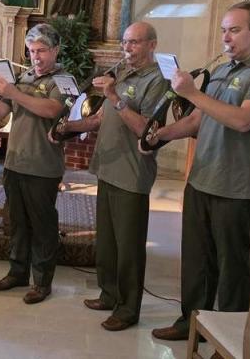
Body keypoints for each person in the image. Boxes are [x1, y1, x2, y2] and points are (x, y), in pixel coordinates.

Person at [145, 1, 250, 341]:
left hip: (236, 185)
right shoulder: (223, 70)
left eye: (234, 30)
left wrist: (192, 92)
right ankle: (191, 323)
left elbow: (243, 120)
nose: (226, 38)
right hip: (201, 178)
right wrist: (161, 135)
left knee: (231, 267)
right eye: (224, 30)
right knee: (197, 262)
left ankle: (230, 336)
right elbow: (197, 120)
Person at [53, 22, 168, 331]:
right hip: (107, 168)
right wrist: (68, 127)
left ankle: (128, 308)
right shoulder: (125, 75)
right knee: (107, 241)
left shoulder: (158, 81)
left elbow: (146, 129)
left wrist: (115, 97)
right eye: (124, 42)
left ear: (152, 45)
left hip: (132, 173)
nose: (126, 48)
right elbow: (99, 119)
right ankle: (109, 293)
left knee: (128, 245)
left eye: (134, 42)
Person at [0, 24, 69, 304]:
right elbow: (0, 110)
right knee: (16, 222)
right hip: (16, 162)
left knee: (42, 226)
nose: (36, 57)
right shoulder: (24, 77)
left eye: (41, 51)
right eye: (31, 51)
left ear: (55, 50)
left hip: (42, 165)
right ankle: (17, 272)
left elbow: (52, 110)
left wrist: (14, 92)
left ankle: (42, 282)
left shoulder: (64, 80)